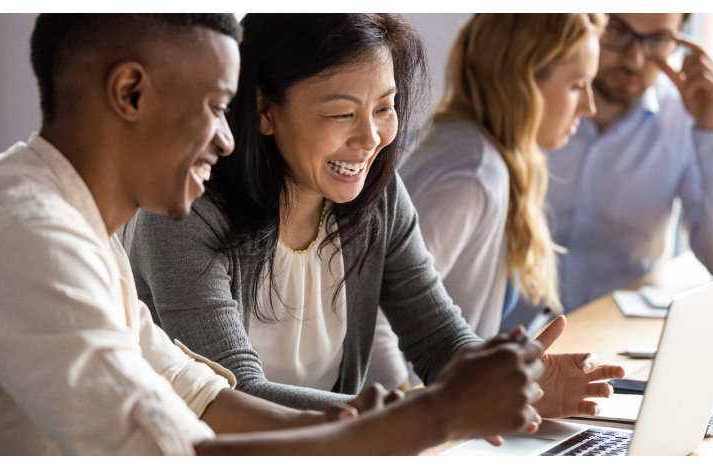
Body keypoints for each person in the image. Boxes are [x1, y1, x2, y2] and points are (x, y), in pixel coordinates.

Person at [0, 13, 551, 456]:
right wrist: (431, 418)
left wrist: (414, 418)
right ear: (131, 93)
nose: (227, 138)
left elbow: (194, 392)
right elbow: (169, 452)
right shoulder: (28, 233)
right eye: (217, 106)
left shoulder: (76, 221)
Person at [129, 13, 623, 418]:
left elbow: (438, 339)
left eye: (384, 107)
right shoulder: (186, 213)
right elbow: (234, 399)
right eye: (342, 113)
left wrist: (512, 384)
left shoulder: (377, 196)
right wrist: (435, 412)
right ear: (263, 109)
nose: (371, 139)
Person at [366, 13, 606, 389]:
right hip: (424, 424)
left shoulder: (478, 149)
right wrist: (408, 424)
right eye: (578, 85)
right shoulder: (473, 176)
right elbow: (374, 315)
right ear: (523, 81)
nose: (590, 105)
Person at [536, 13, 713, 313]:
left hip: (619, 333)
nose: (635, 60)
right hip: (513, 335)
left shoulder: (683, 118)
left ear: (680, 37)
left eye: (657, 40)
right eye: (616, 30)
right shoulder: (529, 104)